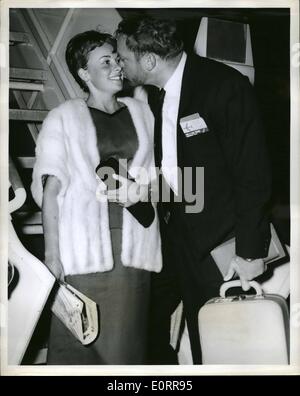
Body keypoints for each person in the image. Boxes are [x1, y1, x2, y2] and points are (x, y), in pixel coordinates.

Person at [115, 17, 272, 364]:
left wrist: (249, 252)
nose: (120, 64)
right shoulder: (158, 97)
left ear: (150, 61)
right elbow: (189, 176)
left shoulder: (223, 86)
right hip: (178, 240)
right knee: (185, 336)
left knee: (226, 345)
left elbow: (252, 175)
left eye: (124, 57)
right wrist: (144, 193)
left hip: (222, 246)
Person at [31, 30, 162, 365]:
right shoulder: (63, 118)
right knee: (79, 345)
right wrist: (52, 256)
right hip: (83, 255)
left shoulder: (142, 113)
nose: (117, 66)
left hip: (135, 249)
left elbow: (159, 177)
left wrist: (144, 193)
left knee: (127, 345)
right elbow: (51, 192)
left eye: (117, 58)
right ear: (84, 74)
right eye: (105, 61)